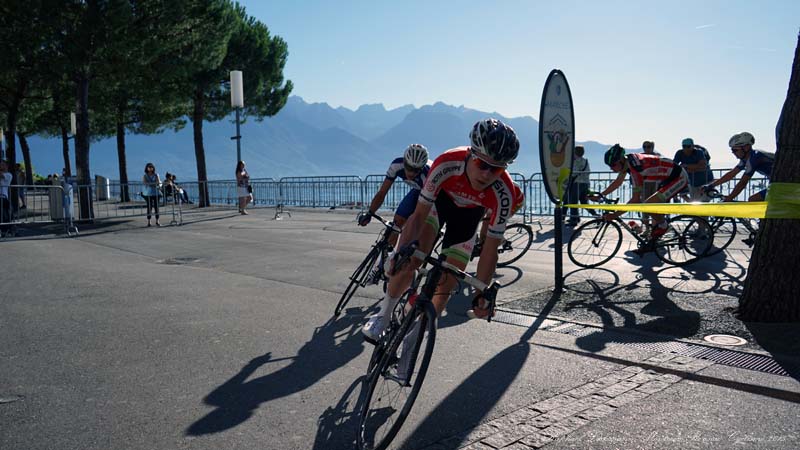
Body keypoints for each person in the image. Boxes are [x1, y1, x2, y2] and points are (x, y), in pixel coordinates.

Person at [362, 118, 524, 346]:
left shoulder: (505, 192)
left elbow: (490, 249)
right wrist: (402, 250)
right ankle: (384, 314)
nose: (487, 174)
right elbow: (418, 216)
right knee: (412, 258)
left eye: (496, 168)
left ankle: (414, 340)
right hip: (439, 204)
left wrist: (481, 292)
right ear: (471, 154)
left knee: (448, 282)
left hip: (469, 216)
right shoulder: (447, 163)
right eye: (482, 164)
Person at [590, 144, 689, 243]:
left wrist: (615, 215)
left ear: (621, 160)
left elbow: (635, 200)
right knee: (649, 205)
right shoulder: (628, 162)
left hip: (679, 177)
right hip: (666, 179)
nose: (611, 169)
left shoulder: (636, 168)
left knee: (648, 205)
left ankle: (664, 226)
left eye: (613, 165)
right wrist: (601, 195)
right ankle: (657, 232)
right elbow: (618, 182)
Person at [357, 144, 431, 247]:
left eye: (416, 170)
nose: (411, 173)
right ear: (404, 162)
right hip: (417, 190)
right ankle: (388, 251)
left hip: (433, 194)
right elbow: (382, 193)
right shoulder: (396, 165)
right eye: (409, 168)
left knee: (417, 228)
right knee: (396, 224)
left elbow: (422, 209)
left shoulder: (428, 175)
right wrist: (370, 213)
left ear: (422, 168)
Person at [703, 132, 773, 202]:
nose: (733, 153)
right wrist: (711, 185)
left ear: (746, 147)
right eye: (732, 150)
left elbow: (743, 182)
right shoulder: (747, 158)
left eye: (735, 150)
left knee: (753, 199)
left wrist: (730, 198)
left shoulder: (755, 157)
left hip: (778, 183)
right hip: (775, 183)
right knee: (754, 200)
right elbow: (731, 174)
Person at [566, 145, 590, 226]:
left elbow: (573, 173)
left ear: (575, 152)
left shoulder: (576, 161)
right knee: (584, 202)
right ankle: (596, 216)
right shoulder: (585, 161)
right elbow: (588, 172)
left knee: (573, 202)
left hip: (576, 183)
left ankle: (574, 220)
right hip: (585, 183)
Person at [142, 162, 161, 227]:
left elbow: (158, 182)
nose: (150, 168)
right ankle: (149, 221)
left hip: (156, 193)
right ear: (147, 168)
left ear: (153, 168)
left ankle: (157, 221)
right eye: (149, 167)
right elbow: (145, 183)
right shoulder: (145, 176)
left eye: (151, 167)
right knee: (149, 207)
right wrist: (153, 184)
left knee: (156, 207)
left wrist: (151, 184)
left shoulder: (156, 175)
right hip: (148, 193)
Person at [0, 160, 12, 236]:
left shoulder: (8, 175)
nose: (1, 166)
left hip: (3, 197)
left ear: (6, 166)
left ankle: (5, 230)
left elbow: (1, 175)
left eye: (2, 165)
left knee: (3, 215)